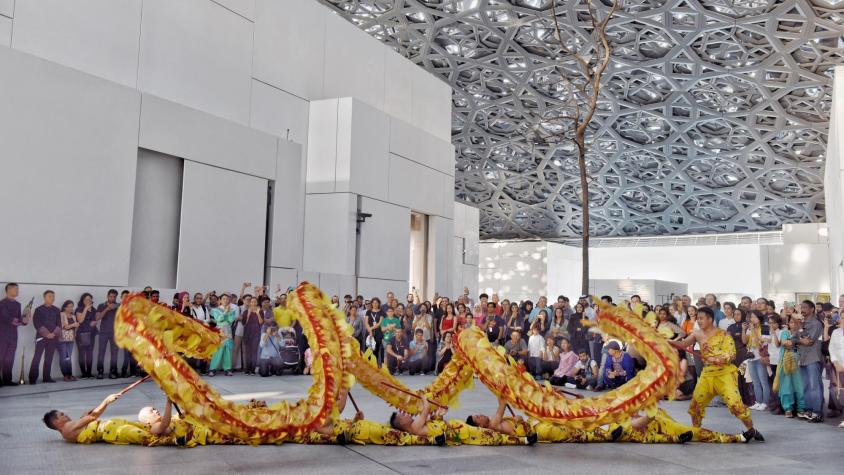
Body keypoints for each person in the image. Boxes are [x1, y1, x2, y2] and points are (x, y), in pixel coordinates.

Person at [672, 306, 762, 441]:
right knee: (696, 405)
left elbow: (731, 354)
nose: (699, 321)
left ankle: (751, 430)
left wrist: (718, 359)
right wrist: (667, 341)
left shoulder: (724, 334)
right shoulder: (697, 333)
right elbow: (683, 344)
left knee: (735, 405)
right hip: (707, 374)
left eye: (702, 318)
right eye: (698, 318)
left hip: (724, 373)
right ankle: (696, 431)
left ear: (710, 319)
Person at [389, 398, 530, 446]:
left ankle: (523, 439)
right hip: (457, 432)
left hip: (457, 428)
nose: (405, 415)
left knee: (490, 433)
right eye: (402, 416)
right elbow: (425, 409)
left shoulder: (416, 425)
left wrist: (440, 415)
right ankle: (524, 441)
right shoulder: (413, 427)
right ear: (402, 424)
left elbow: (433, 422)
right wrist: (424, 398)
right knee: (491, 435)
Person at [42, 392, 125, 443]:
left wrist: (84, 417)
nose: (66, 415)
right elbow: (93, 416)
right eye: (62, 415)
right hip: (113, 430)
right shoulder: (67, 427)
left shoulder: (66, 435)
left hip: (113, 429)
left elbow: (89, 417)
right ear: (56, 422)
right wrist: (107, 401)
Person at [794, 300, 824, 422]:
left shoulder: (816, 324)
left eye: (806, 307)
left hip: (813, 357)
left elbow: (809, 341)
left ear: (812, 309)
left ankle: (817, 412)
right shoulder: (802, 323)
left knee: (814, 386)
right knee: (805, 386)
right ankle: (808, 410)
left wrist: (800, 333)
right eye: (802, 307)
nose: (803, 309)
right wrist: (799, 339)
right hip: (802, 358)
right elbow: (794, 339)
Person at [0, 283, 31, 386]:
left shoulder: (18, 304)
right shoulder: (2, 303)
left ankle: (7, 380)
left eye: (18, 289)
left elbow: (19, 319)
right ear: (8, 290)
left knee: (10, 358)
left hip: (13, 335)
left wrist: (25, 320)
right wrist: (19, 321)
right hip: (2, 335)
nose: (17, 291)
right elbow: (6, 318)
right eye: (15, 289)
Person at [775, 315, 806, 418]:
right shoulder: (785, 333)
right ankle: (788, 408)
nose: (794, 325)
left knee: (800, 386)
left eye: (796, 322)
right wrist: (799, 342)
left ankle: (801, 408)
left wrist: (795, 342)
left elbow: (807, 342)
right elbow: (785, 343)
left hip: (800, 362)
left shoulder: (802, 332)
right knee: (786, 385)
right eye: (792, 322)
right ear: (788, 324)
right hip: (786, 362)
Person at [29, 290, 61, 384]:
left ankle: (46, 377)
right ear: (44, 297)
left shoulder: (57, 310)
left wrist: (54, 334)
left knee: (49, 357)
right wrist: (47, 334)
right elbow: (37, 323)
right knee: (37, 356)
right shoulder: (39, 309)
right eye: (50, 296)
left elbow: (59, 323)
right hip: (41, 337)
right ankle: (32, 378)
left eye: (53, 296)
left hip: (53, 337)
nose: (52, 298)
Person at [743, 311, 771, 411]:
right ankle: (758, 401)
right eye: (751, 317)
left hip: (760, 356)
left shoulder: (765, 327)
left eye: (754, 317)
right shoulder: (750, 328)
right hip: (751, 356)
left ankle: (765, 402)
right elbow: (744, 341)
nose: (752, 319)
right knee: (755, 381)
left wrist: (754, 330)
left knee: (763, 381)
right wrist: (744, 330)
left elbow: (763, 342)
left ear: (759, 318)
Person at [94, 289, 120, 379]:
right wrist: (107, 309)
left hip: (115, 333)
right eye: (110, 296)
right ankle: (100, 372)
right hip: (103, 332)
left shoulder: (119, 306)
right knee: (101, 353)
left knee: (114, 354)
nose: (112, 298)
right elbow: (97, 318)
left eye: (114, 296)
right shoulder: (101, 305)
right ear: (107, 296)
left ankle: (113, 372)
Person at [209, 294, 236, 377]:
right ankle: (212, 369)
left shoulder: (232, 310)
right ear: (220, 300)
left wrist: (226, 315)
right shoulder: (215, 310)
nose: (225, 300)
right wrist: (225, 313)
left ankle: (227, 369)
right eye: (223, 299)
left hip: (228, 332)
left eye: (227, 299)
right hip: (219, 332)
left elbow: (231, 320)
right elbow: (218, 319)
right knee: (218, 350)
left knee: (227, 350)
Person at [75, 293, 96, 379]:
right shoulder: (79, 309)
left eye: (90, 299)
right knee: (82, 354)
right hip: (82, 334)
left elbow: (96, 319)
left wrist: (94, 323)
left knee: (90, 354)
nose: (88, 301)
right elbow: (80, 320)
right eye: (86, 299)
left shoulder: (94, 309)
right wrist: (86, 308)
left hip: (92, 333)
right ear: (83, 301)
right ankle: (84, 373)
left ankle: (89, 373)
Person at [58, 300, 79, 381]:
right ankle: (65, 375)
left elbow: (75, 327)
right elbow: (65, 326)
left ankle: (70, 374)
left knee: (68, 357)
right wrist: (74, 324)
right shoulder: (61, 314)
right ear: (64, 307)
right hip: (62, 339)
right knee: (63, 357)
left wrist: (76, 327)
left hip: (71, 338)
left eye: (72, 306)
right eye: (69, 306)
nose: (71, 308)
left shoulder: (73, 316)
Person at [240, 297, 262, 375]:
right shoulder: (246, 312)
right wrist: (249, 314)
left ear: (257, 303)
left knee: (254, 352)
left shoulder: (260, 311)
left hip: (256, 334)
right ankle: (247, 369)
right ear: (249, 303)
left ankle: (252, 370)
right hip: (247, 334)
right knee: (247, 353)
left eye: (255, 302)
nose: (253, 303)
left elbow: (261, 322)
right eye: (251, 302)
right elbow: (244, 323)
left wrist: (258, 313)